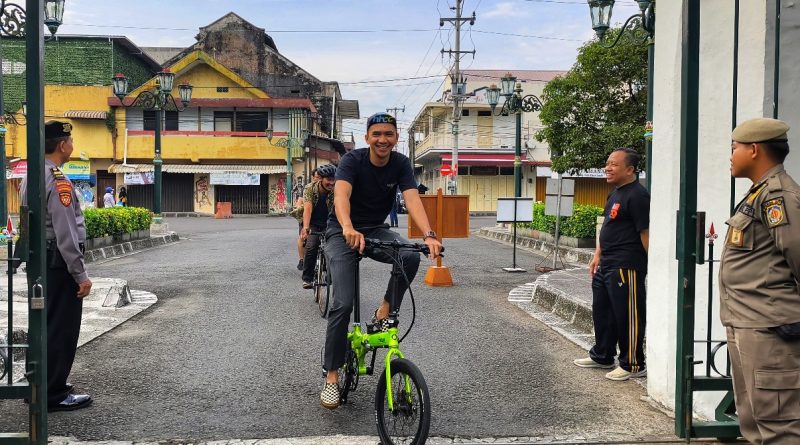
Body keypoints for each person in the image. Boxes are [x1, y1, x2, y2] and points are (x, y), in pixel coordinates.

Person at [320, 112, 442, 409]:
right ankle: (332, 376)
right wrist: (347, 227)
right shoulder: (352, 161)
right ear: (367, 138)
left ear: (396, 138)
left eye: (388, 134)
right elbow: (341, 196)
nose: (382, 140)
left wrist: (429, 234)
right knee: (343, 303)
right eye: (377, 134)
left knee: (410, 254)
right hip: (341, 231)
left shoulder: (400, 164)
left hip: (375, 230)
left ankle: (384, 310)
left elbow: (412, 198)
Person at [719, 117, 800, 444]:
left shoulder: (779, 196)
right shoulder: (760, 194)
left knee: (779, 425)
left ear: (754, 150)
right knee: (753, 421)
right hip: (749, 324)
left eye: (734, 148)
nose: (731, 155)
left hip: (770, 328)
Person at [20, 121, 93, 411]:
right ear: (62, 145)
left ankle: (36, 387)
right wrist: (81, 275)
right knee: (61, 329)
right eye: (70, 139)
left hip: (40, 262)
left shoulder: (33, 174)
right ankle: (53, 393)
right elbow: (66, 234)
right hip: (59, 265)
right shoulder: (58, 179)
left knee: (43, 325)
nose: (72, 144)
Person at [574, 147, 650, 381]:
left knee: (627, 315)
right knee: (603, 312)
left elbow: (646, 232)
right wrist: (597, 254)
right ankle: (603, 355)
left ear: (630, 169)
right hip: (606, 262)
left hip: (626, 265)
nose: (607, 168)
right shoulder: (615, 193)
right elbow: (608, 226)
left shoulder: (638, 195)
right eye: (607, 163)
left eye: (614, 164)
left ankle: (633, 364)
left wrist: (650, 266)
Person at [300, 164, 336, 288]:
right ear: (321, 179)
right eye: (329, 179)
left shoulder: (337, 189)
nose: (331, 183)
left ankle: (329, 274)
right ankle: (307, 278)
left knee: (333, 248)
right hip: (313, 222)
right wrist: (305, 228)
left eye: (333, 179)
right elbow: (308, 209)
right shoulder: (310, 188)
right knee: (311, 246)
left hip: (330, 222)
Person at [292, 168, 322, 271]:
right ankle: (302, 260)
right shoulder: (307, 189)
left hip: (321, 218)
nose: (319, 179)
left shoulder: (327, 188)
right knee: (302, 238)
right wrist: (300, 208)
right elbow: (299, 202)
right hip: (307, 217)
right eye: (317, 177)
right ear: (313, 177)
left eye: (320, 177)